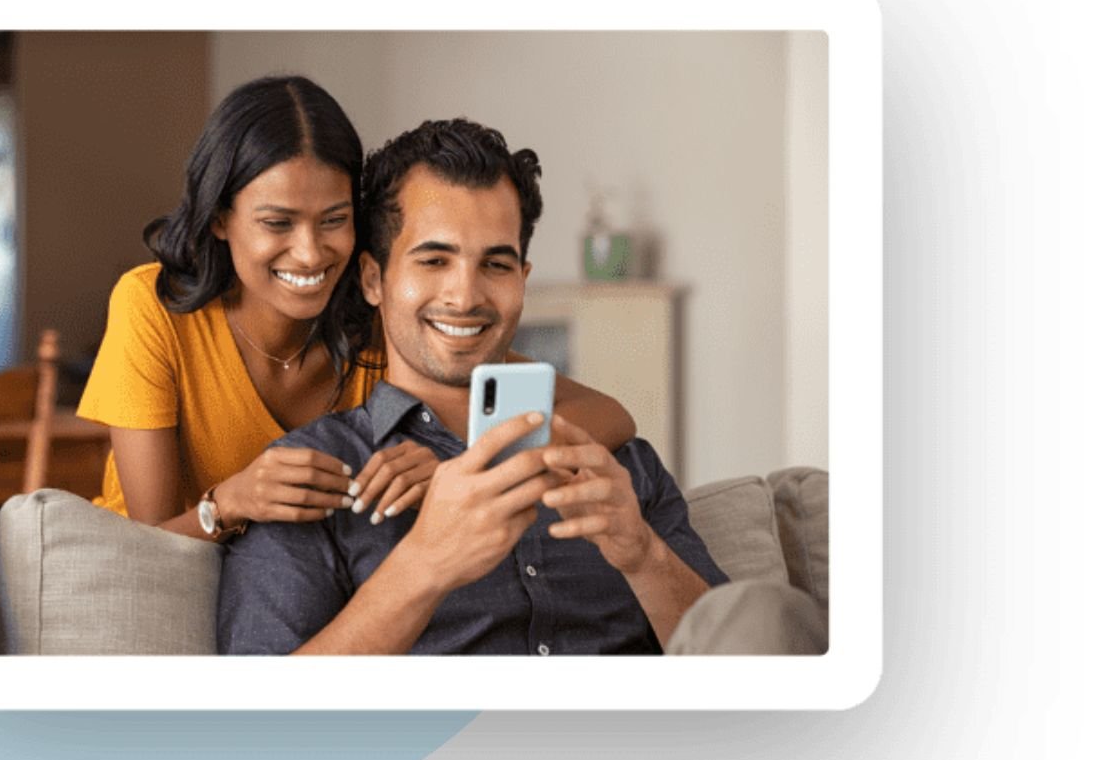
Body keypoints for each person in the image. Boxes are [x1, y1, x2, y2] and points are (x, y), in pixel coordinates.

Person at [218, 118, 751, 654]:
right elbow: (263, 724)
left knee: (776, 617)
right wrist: (423, 566)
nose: (465, 294)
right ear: (373, 279)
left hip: (633, 738)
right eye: (434, 260)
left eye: (495, 264)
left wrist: (642, 554)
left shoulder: (619, 467)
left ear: (522, 278)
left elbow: (744, 676)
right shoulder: (314, 478)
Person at [75, 78, 639, 543]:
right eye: (278, 223)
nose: (310, 251)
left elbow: (608, 415)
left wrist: (462, 467)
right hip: (168, 569)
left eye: (334, 220)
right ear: (220, 218)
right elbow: (148, 541)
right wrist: (232, 499)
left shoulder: (377, 317)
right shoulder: (154, 307)